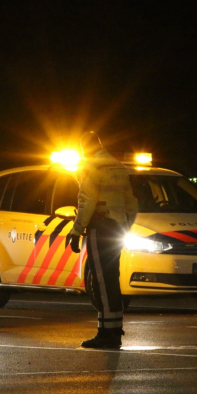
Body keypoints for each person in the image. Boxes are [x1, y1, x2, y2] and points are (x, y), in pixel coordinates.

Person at [67, 132, 138, 349]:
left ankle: (106, 333)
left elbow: (86, 202)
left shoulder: (91, 167)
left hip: (100, 226)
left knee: (100, 280)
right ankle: (114, 328)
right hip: (116, 228)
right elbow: (132, 204)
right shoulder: (118, 167)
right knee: (111, 279)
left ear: (84, 148)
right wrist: (125, 226)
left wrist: (76, 231)